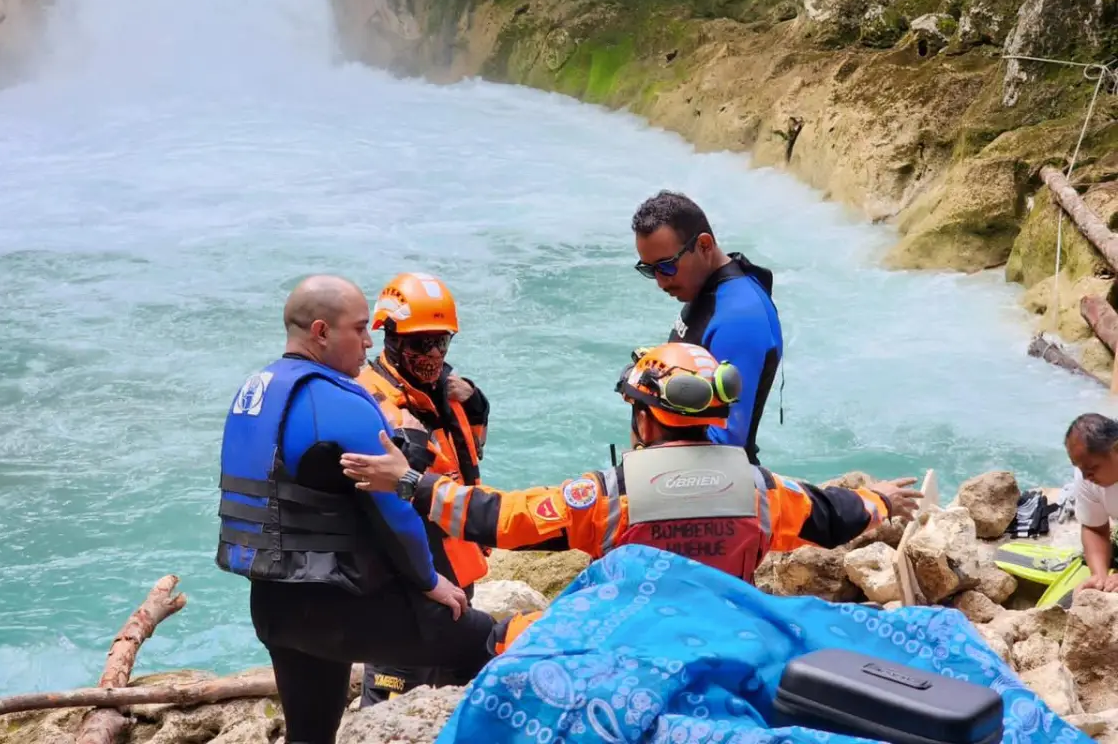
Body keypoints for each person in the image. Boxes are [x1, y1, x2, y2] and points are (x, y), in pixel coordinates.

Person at [341, 342, 923, 654]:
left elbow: (496, 519)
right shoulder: (762, 489)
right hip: (726, 634)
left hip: (626, 641)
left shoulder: (608, 494)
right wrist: (879, 499)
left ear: (645, 420)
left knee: (497, 634)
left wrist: (410, 481)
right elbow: (832, 515)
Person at [214, 274, 497, 744]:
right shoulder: (341, 401)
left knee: (310, 736)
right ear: (321, 332)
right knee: (488, 642)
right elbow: (392, 508)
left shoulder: (253, 392)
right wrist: (430, 582)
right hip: (339, 605)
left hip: (271, 606)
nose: (368, 342)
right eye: (360, 329)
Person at [355, 272, 493, 706]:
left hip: (455, 572)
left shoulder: (446, 394)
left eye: (441, 342)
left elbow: (472, 457)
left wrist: (474, 402)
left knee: (453, 700)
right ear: (389, 339)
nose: (432, 353)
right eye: (420, 343)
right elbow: (380, 503)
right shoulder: (371, 402)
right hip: (407, 586)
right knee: (389, 707)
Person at [631, 190, 784, 466]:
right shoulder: (710, 293)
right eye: (649, 270)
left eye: (666, 267)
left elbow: (728, 437)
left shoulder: (741, 317)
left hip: (714, 487)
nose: (660, 283)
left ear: (703, 245)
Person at [1064, 412, 1118, 595]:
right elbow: (1095, 528)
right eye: (1080, 468)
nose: (1086, 477)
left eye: (1092, 468)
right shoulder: (1085, 476)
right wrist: (1099, 576)